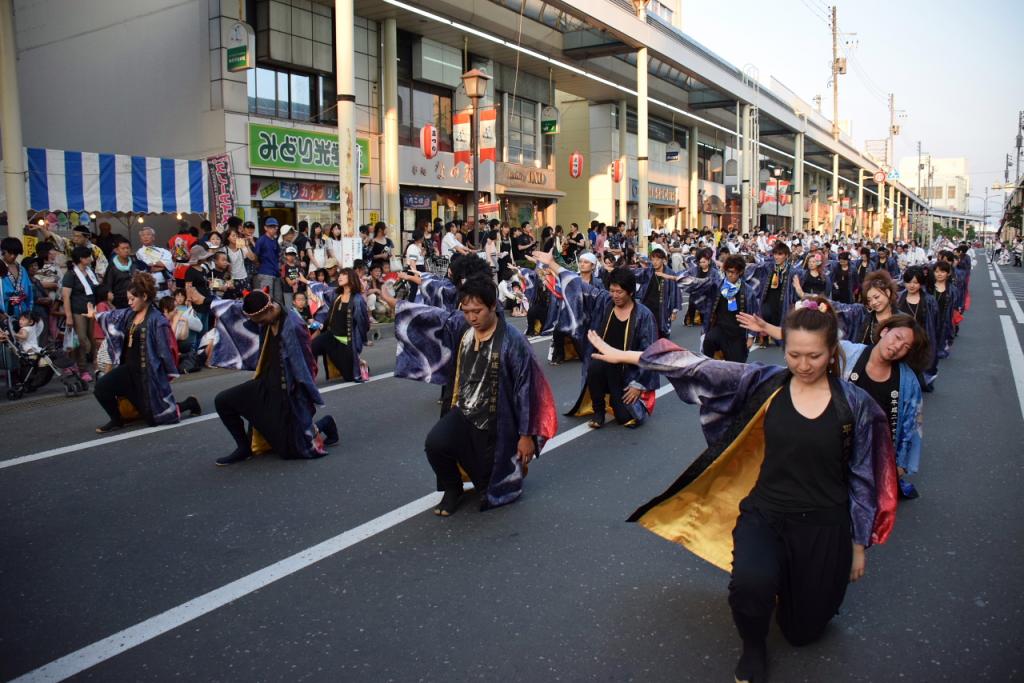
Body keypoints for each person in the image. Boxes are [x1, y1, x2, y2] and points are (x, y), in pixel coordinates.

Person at [589, 298, 897, 683]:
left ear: (832, 352)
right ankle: (753, 647)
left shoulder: (856, 406)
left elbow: (865, 478)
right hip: (765, 514)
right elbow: (700, 366)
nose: (803, 365)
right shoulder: (766, 383)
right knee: (751, 584)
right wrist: (629, 356)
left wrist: (857, 545)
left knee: (803, 633)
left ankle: (794, 585)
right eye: (794, 354)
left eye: (814, 356)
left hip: (824, 525)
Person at [393, 272, 557, 516]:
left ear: (493, 306)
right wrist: (393, 304)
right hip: (465, 410)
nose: (472, 317)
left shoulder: (513, 341)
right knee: (435, 443)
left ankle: (505, 471)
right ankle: (452, 489)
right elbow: (429, 318)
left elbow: (527, 389)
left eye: (478, 311)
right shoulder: (463, 326)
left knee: (491, 485)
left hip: (497, 421)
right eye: (466, 310)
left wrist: (526, 436)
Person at [740, 308, 930, 500]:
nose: (897, 346)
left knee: (863, 510)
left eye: (905, 346)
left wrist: (900, 465)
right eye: (897, 337)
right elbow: (811, 343)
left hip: (875, 453)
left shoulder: (907, 381)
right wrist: (765, 327)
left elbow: (912, 424)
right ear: (884, 331)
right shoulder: (850, 352)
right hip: (835, 445)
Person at [208, 290, 338, 465]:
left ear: (269, 310)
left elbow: (305, 364)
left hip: (288, 391)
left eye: (261, 321)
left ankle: (324, 424)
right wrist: (205, 300)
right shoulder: (263, 312)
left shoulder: (293, 326)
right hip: (265, 382)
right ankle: (243, 448)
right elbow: (235, 308)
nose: (259, 325)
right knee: (223, 400)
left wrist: (308, 397)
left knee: (294, 449)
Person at [533, 249, 660, 429]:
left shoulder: (644, 316)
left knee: (626, 417)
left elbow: (651, 353)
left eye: (619, 292)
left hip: (626, 369)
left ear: (630, 292)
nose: (615, 295)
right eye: (612, 291)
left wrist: (638, 384)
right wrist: (552, 264)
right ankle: (598, 411)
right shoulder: (604, 301)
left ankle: (619, 402)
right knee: (594, 365)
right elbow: (578, 284)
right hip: (602, 361)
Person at [91, 272, 201, 432]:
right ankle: (116, 420)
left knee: (154, 416)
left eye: (132, 299)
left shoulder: (158, 320)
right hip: (128, 370)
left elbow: (166, 350)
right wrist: (95, 315)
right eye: (128, 299)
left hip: (147, 374)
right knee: (101, 388)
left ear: (144, 296)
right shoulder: (129, 314)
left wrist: (165, 373)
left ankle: (190, 402)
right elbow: (113, 316)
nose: (129, 302)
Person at [687, 254, 758, 363]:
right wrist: (676, 278)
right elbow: (698, 286)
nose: (730, 275)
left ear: (740, 272)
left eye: (733, 272)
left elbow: (753, 314)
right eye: (728, 271)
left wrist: (751, 337)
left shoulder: (748, 291)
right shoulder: (717, 286)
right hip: (720, 329)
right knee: (708, 341)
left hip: (737, 333)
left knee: (737, 367)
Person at [307, 268, 369, 382]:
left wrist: (360, 343)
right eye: (339, 275)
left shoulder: (357, 299)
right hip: (331, 336)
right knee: (311, 348)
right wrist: (306, 281)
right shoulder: (336, 294)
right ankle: (309, 378)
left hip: (346, 342)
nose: (339, 277)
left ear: (351, 278)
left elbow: (363, 323)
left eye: (343, 275)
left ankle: (359, 363)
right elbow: (322, 288)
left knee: (349, 377)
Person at [897, 266, 939, 390]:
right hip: (901, 339)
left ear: (920, 283)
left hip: (920, 341)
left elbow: (935, 323)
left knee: (916, 367)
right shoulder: (898, 298)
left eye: (915, 282)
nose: (911, 285)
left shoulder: (929, 301)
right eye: (909, 282)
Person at [61, 245, 100, 380]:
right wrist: (69, 316)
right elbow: (65, 296)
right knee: (83, 341)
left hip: (92, 310)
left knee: (94, 340)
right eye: (87, 256)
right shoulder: (70, 274)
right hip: (78, 311)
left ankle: (93, 367)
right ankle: (82, 368)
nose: (90, 258)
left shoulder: (90, 272)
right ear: (81, 259)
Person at [635, 245, 679, 340]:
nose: (654, 262)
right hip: (648, 305)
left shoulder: (670, 274)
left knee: (662, 333)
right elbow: (636, 275)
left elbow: (675, 292)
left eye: (657, 259)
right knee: (647, 331)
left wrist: (674, 311)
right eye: (652, 259)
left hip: (662, 307)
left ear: (663, 260)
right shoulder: (648, 271)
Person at [101, 236, 148, 309]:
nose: (126, 250)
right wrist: (109, 296)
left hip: (136, 299)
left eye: (128, 248)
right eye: (123, 248)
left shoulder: (135, 262)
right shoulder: (112, 266)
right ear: (116, 250)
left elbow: (146, 270)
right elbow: (107, 284)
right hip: (119, 301)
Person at [2, 237, 35, 321]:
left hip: (23, 312)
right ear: (3, 251)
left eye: (16, 254)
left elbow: (29, 291)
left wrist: (29, 311)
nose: (13, 256)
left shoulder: (22, 269)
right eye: (9, 253)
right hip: (4, 311)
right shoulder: (0, 268)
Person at [135, 227, 174, 299]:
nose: (145, 237)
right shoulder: (140, 252)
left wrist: (155, 264)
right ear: (140, 239)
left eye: (148, 234)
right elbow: (149, 266)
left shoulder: (163, 251)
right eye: (143, 235)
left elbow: (170, 264)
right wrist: (163, 265)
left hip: (165, 287)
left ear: (153, 237)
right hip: (150, 288)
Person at [252, 217, 283, 305]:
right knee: (267, 299)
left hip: (275, 272)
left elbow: (278, 255)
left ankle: (276, 318)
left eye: (275, 227)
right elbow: (255, 256)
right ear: (266, 228)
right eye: (271, 226)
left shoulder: (275, 240)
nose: (274, 228)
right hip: (265, 272)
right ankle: (267, 318)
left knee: (278, 300)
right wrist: (259, 265)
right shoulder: (261, 240)